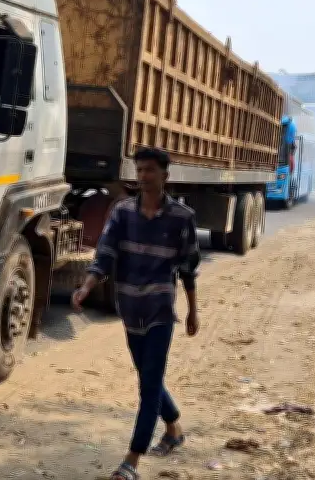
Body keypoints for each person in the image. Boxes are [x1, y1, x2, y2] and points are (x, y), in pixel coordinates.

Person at [72, 147, 201, 480]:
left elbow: (188, 268)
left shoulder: (181, 218)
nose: (143, 176)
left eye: (150, 171)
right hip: (129, 309)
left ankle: (131, 461)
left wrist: (192, 311)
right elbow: (104, 255)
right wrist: (86, 286)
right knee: (149, 378)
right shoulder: (122, 213)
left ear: (165, 176)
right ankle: (174, 430)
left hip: (160, 310)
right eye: (140, 170)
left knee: (148, 386)